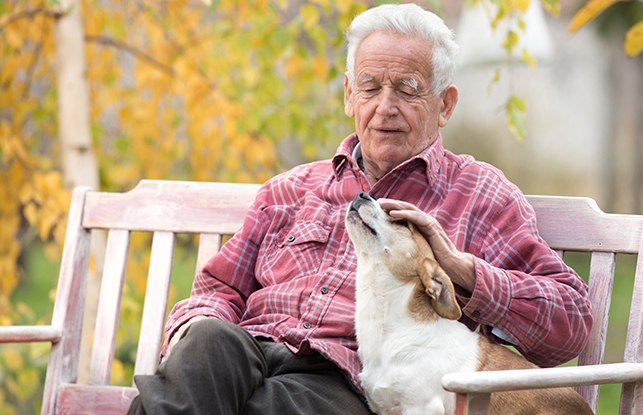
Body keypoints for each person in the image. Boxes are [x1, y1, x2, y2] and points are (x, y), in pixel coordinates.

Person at [128, 4, 593, 415]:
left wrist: (462, 270)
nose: (385, 108)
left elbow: (570, 324)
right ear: (350, 94)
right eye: (370, 88)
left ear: (445, 104)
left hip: (337, 379)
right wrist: (198, 338)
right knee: (207, 341)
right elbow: (218, 288)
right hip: (246, 350)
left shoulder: (479, 195)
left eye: (407, 90)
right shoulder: (290, 189)